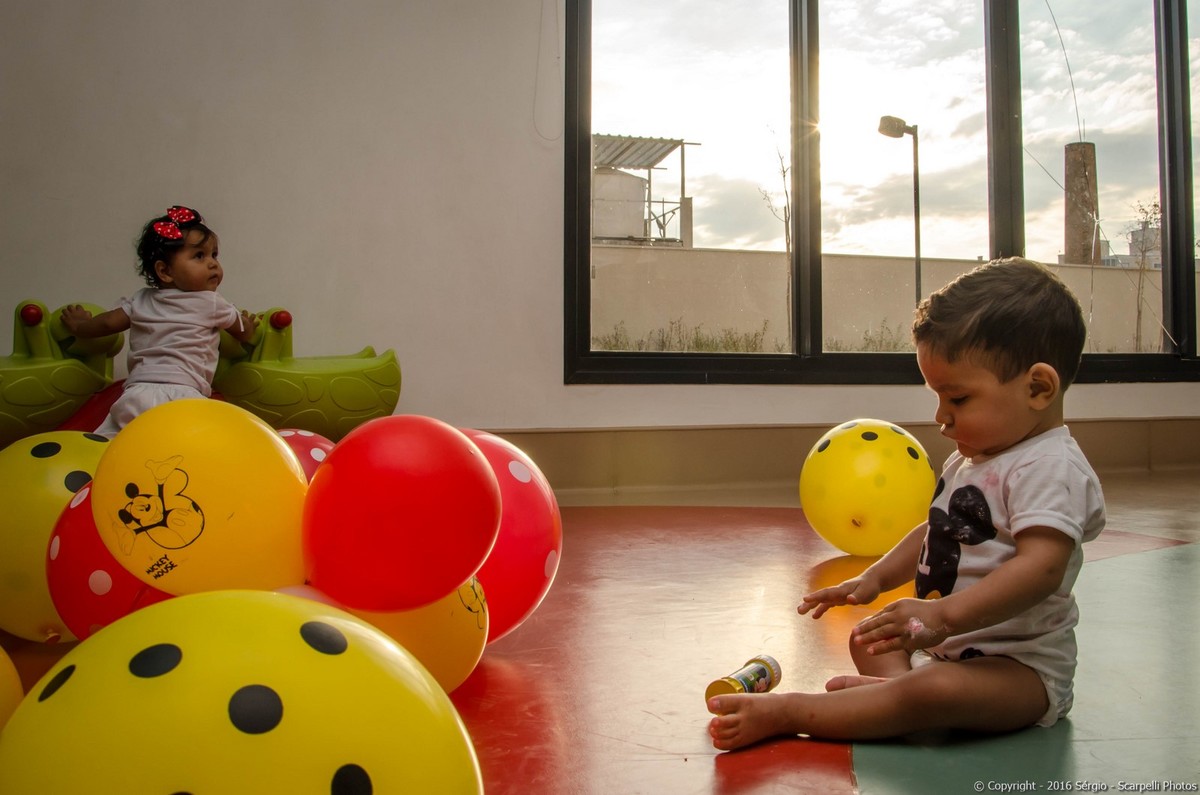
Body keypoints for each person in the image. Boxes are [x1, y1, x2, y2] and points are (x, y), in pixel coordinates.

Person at [708, 257, 1106, 749]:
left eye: (957, 399)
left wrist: (942, 618)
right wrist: (874, 578)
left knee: (936, 689)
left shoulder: (1051, 468)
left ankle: (795, 712)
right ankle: (899, 700)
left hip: (1018, 674)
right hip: (939, 653)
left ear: (1038, 388)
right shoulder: (975, 458)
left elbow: (1042, 569)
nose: (941, 416)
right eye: (938, 397)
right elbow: (935, 531)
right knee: (867, 637)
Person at [60, 205, 258, 438]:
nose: (212, 263)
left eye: (214, 255)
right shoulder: (212, 303)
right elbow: (243, 332)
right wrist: (249, 324)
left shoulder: (141, 300)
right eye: (199, 256)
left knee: (116, 443)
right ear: (165, 271)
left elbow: (108, 324)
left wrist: (80, 326)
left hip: (136, 395)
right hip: (184, 396)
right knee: (188, 447)